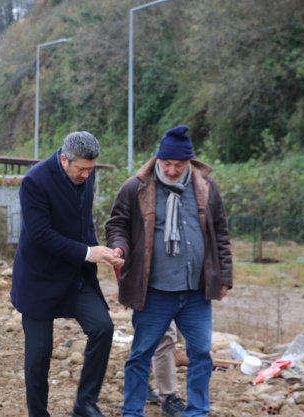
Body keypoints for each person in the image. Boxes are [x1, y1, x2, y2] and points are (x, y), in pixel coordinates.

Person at [106, 125, 233, 417]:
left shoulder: (205, 188)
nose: (173, 170)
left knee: (201, 353)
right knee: (140, 355)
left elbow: (221, 234)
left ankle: (197, 410)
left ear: (190, 161)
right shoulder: (136, 186)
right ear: (158, 159)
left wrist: (224, 276)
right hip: (154, 291)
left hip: (195, 292)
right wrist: (120, 248)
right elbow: (117, 225)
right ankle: (132, 411)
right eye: (167, 164)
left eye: (179, 164)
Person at [11, 131, 117, 417]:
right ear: (63, 158)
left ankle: (84, 404)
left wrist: (99, 250)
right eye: (80, 168)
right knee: (38, 356)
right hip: (39, 278)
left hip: (75, 274)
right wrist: (87, 252)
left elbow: (84, 222)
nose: (85, 174)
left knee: (102, 328)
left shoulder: (86, 175)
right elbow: (40, 234)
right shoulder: (35, 181)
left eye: (90, 168)